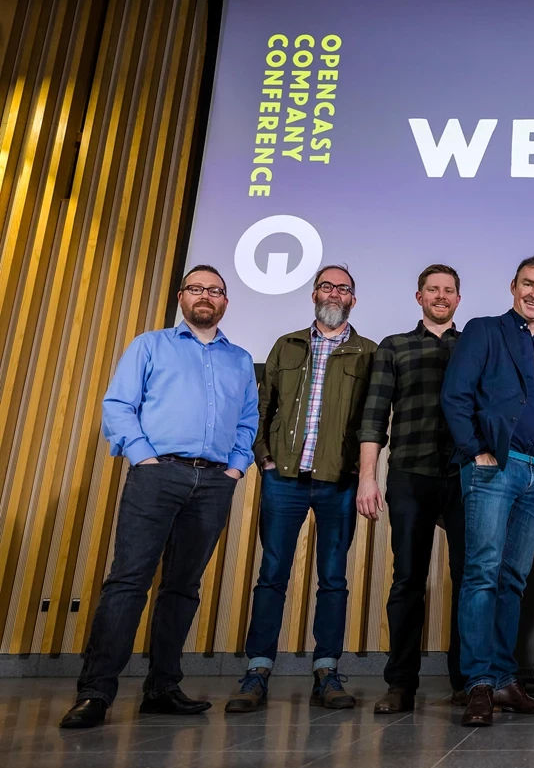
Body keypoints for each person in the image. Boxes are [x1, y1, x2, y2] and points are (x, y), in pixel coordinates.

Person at [61, 265, 257, 729]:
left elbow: (249, 420)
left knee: (183, 588)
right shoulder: (150, 345)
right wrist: (144, 458)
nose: (205, 296)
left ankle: (162, 688)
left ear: (225, 302)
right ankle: (96, 693)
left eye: (215, 290)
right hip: (157, 475)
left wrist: (234, 468)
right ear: (181, 297)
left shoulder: (241, 359)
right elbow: (118, 405)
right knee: (128, 582)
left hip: (213, 483)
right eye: (196, 289)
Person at [224, 265, 376, 713]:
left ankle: (326, 671)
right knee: (271, 575)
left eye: (343, 288)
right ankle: (257, 670)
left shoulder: (368, 353)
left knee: (333, 579)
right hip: (283, 479)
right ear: (314, 294)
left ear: (353, 299)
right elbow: (261, 404)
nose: (334, 293)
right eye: (326, 285)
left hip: (338, 482)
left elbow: (372, 417)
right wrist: (264, 459)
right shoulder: (286, 345)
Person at [441, 255, 534, 727]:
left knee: (512, 579)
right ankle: (477, 683)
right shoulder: (484, 330)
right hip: (494, 469)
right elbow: (455, 395)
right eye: (528, 284)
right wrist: (476, 450)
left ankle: (502, 679)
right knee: (482, 573)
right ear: (513, 286)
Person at [357, 264, 468, 713]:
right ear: (419, 297)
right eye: (432, 290)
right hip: (410, 474)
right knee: (407, 581)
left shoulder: (473, 345)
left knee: (470, 581)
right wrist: (368, 477)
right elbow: (373, 415)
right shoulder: (393, 346)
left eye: (449, 290)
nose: (440, 296)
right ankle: (400, 683)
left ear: (458, 299)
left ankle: (468, 681)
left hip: (466, 477)